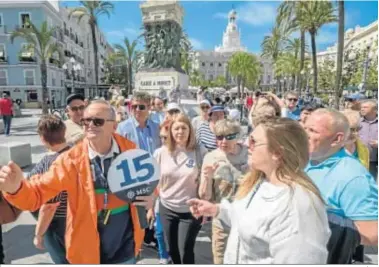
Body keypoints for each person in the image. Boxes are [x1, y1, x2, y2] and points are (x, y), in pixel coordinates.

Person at [0, 100, 154, 264]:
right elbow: (37, 193)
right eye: (86, 121)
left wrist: (152, 198)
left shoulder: (130, 151)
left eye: (98, 121)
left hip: (125, 249)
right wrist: (16, 189)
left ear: (114, 126)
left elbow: (150, 184)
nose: (90, 125)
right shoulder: (70, 160)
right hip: (86, 253)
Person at [188, 118, 331, 264]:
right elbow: (248, 218)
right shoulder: (260, 181)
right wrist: (216, 210)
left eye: (253, 142)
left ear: (277, 153)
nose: (246, 146)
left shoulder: (298, 208)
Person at [304, 109, 378, 264]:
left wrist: (325, 225)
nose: (305, 134)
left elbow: (371, 234)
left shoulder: (353, 177)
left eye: (312, 130)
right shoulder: (302, 160)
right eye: (304, 128)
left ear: (337, 139)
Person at [154, 114, 206, 264]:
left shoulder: (199, 151)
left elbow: (207, 177)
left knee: (185, 250)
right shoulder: (161, 153)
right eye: (176, 128)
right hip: (167, 208)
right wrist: (152, 207)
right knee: (172, 250)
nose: (180, 132)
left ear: (190, 130)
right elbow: (154, 181)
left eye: (184, 128)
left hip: (190, 210)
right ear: (170, 131)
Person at [198, 119, 249, 264]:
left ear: (238, 136)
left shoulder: (249, 154)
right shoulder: (211, 157)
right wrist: (207, 178)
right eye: (219, 137)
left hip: (247, 220)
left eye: (229, 137)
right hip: (222, 223)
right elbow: (205, 196)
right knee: (220, 261)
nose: (224, 141)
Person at [27, 115, 71, 264]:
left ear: (42, 138)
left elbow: (50, 206)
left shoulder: (51, 163)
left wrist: (38, 234)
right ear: (64, 132)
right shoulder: (76, 154)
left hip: (57, 223)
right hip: (77, 218)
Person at [359, 99, 378, 179]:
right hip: (360, 159)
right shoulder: (357, 122)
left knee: (372, 182)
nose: (362, 109)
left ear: (374, 109)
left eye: (365, 107)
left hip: (374, 160)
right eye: (361, 107)